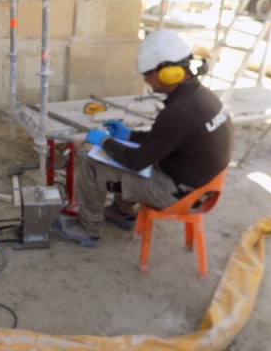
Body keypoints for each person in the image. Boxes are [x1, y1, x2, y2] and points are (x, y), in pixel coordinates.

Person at [51, 29, 233, 247]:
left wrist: (104, 141)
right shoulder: (200, 96)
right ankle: (123, 212)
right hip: (199, 185)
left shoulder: (177, 113)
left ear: (169, 72)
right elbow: (163, 140)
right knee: (120, 151)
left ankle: (88, 230)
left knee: (92, 165)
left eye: (148, 73)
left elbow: (136, 161)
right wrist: (129, 134)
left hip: (178, 193)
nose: (146, 80)